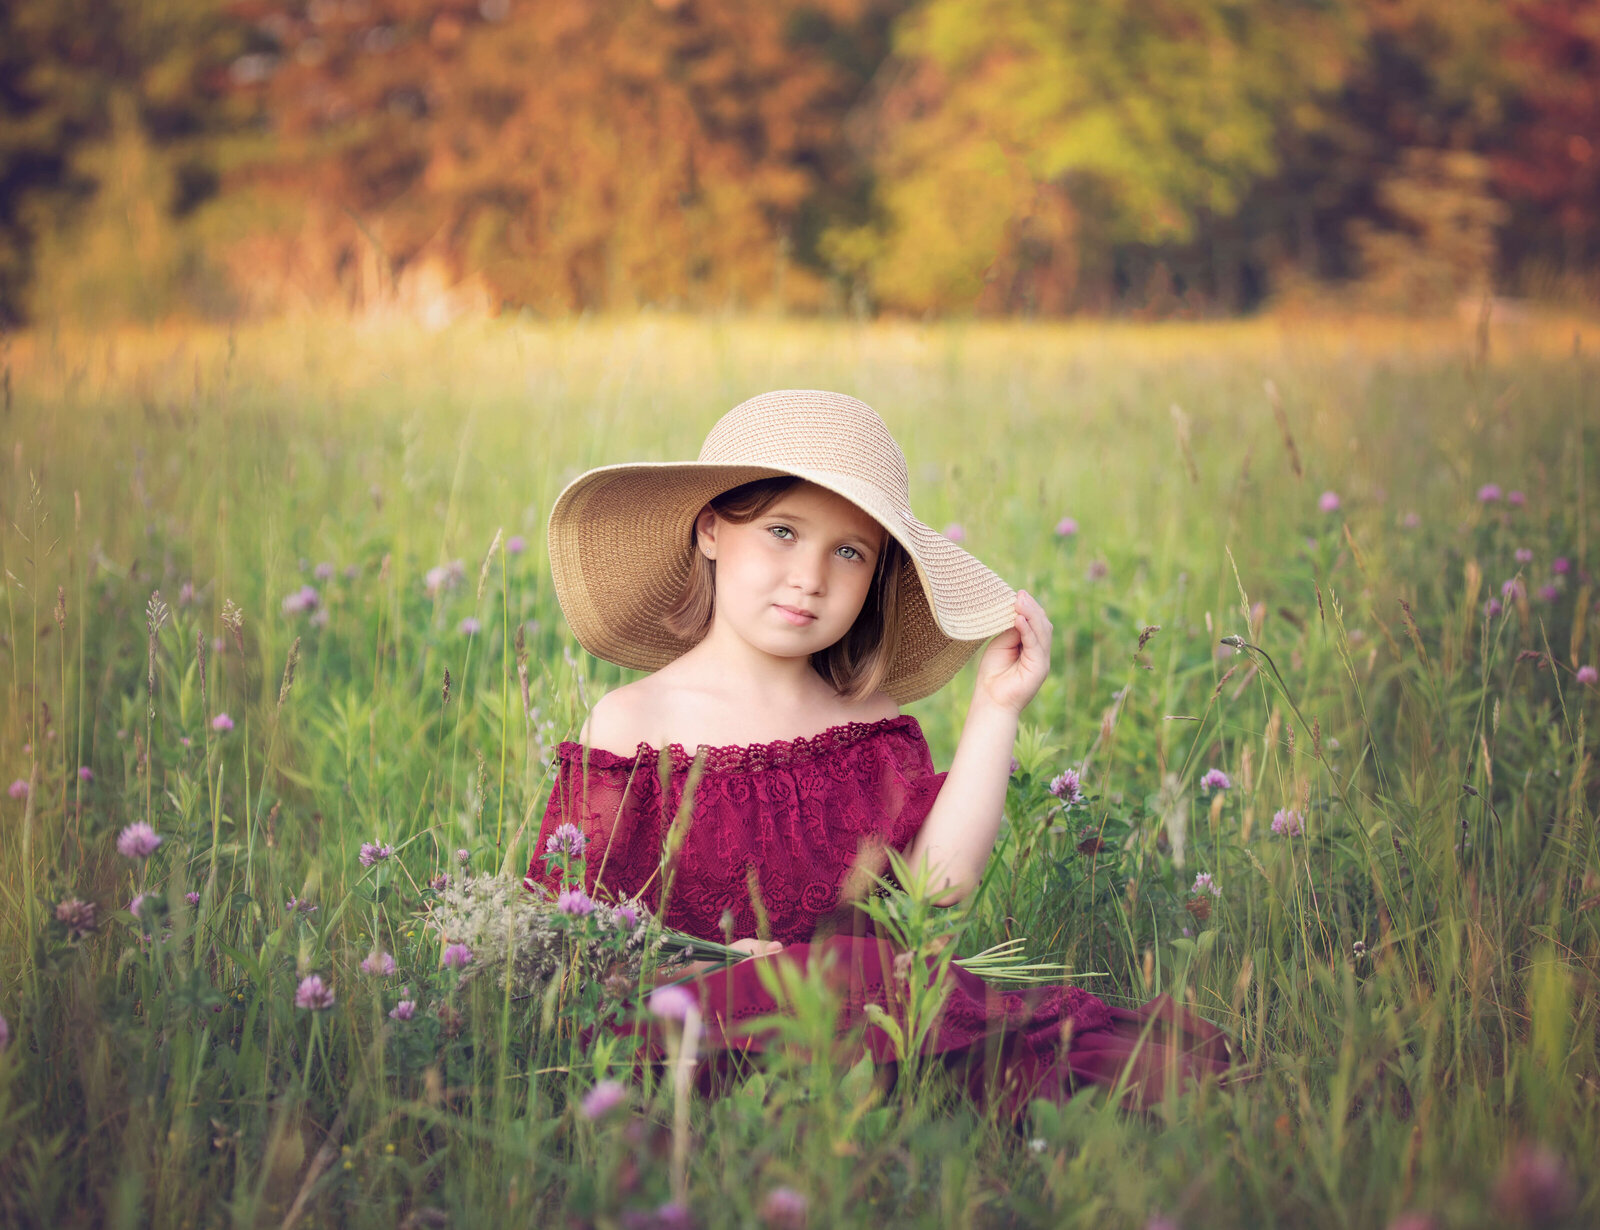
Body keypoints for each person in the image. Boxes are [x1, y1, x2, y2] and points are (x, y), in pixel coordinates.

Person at [525, 389, 1232, 1125]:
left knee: (901, 987)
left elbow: (939, 889)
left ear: (874, 577)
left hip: (864, 1026)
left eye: (849, 551)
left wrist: (997, 709)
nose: (811, 577)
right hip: (698, 1031)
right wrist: (724, 963)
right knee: (834, 977)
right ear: (710, 529)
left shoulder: (870, 726)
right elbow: (566, 936)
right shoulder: (635, 725)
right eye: (782, 532)